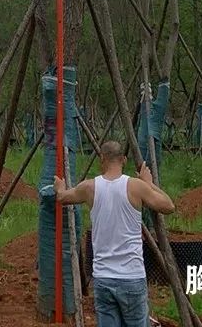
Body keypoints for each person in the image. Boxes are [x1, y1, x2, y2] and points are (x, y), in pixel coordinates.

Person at [53, 139, 174, 327]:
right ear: (124, 159)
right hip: (132, 277)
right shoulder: (136, 186)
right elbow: (168, 206)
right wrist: (149, 184)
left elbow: (62, 197)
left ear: (102, 159)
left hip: (103, 278)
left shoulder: (89, 188)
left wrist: (60, 187)